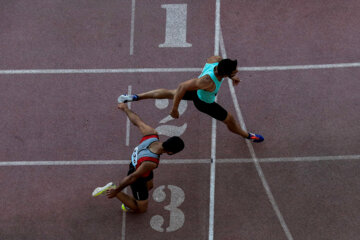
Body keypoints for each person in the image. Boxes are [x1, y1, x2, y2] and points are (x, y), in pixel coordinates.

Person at [117, 56, 264, 142]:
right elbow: (182, 87)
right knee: (230, 119)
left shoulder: (216, 60)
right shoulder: (207, 81)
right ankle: (248, 135)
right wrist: (174, 109)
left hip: (198, 91)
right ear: (224, 73)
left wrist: (232, 77)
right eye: (234, 70)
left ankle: (134, 97)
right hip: (204, 102)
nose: (237, 70)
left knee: (169, 93)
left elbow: (223, 71)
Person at [93, 103, 185, 213]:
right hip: (138, 176)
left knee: (150, 186)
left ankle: (131, 197)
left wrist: (126, 109)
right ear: (170, 152)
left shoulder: (152, 134)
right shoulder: (151, 162)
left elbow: (137, 121)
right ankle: (111, 189)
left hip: (138, 165)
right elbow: (132, 177)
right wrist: (116, 190)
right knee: (141, 209)